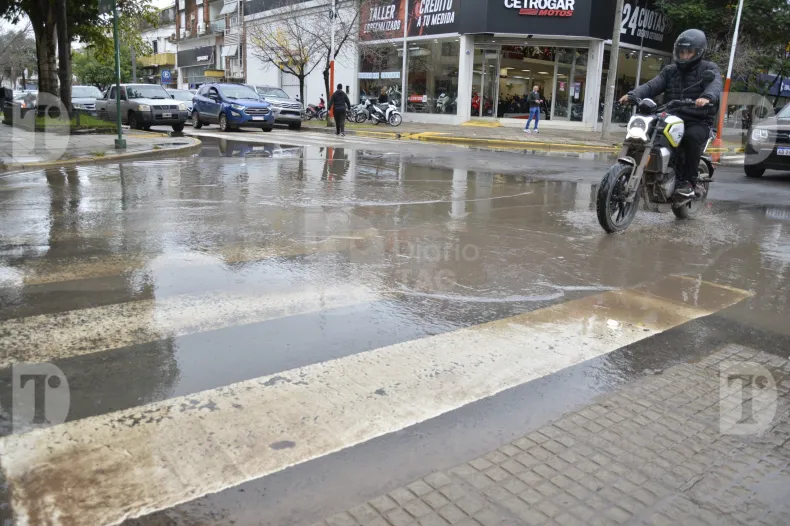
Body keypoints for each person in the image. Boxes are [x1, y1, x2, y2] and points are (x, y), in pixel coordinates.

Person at [619, 29, 723, 198]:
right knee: (649, 133)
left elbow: (715, 84)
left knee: (690, 137)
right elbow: (652, 85)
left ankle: (688, 183)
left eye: (689, 52)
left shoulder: (708, 69)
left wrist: (707, 97)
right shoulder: (670, 71)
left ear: (698, 52)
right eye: (681, 52)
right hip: (672, 116)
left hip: (698, 119)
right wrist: (633, 95)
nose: (684, 56)